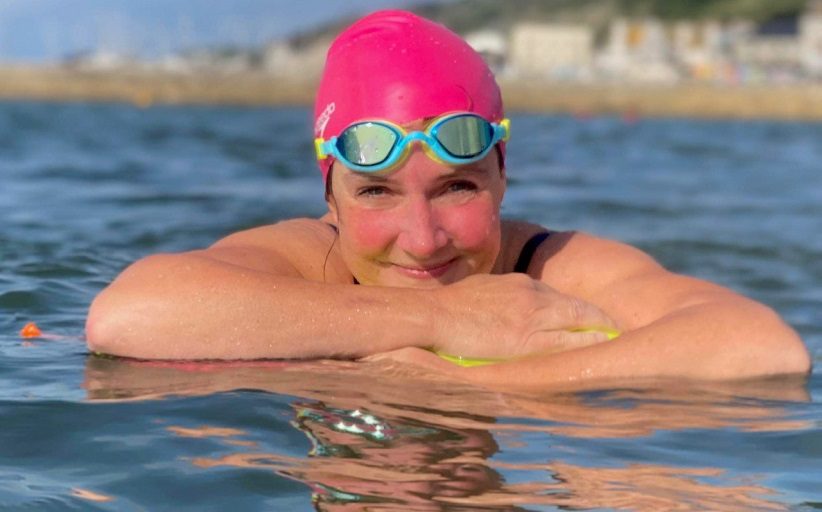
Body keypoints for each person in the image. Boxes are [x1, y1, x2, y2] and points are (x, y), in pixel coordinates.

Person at [85, 10, 810, 389]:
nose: (423, 238)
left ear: (501, 175)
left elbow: (761, 347)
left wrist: (507, 387)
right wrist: (441, 317)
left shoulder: (547, 266)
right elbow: (128, 315)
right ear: (330, 194)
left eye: (457, 188)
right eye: (376, 193)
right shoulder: (304, 262)